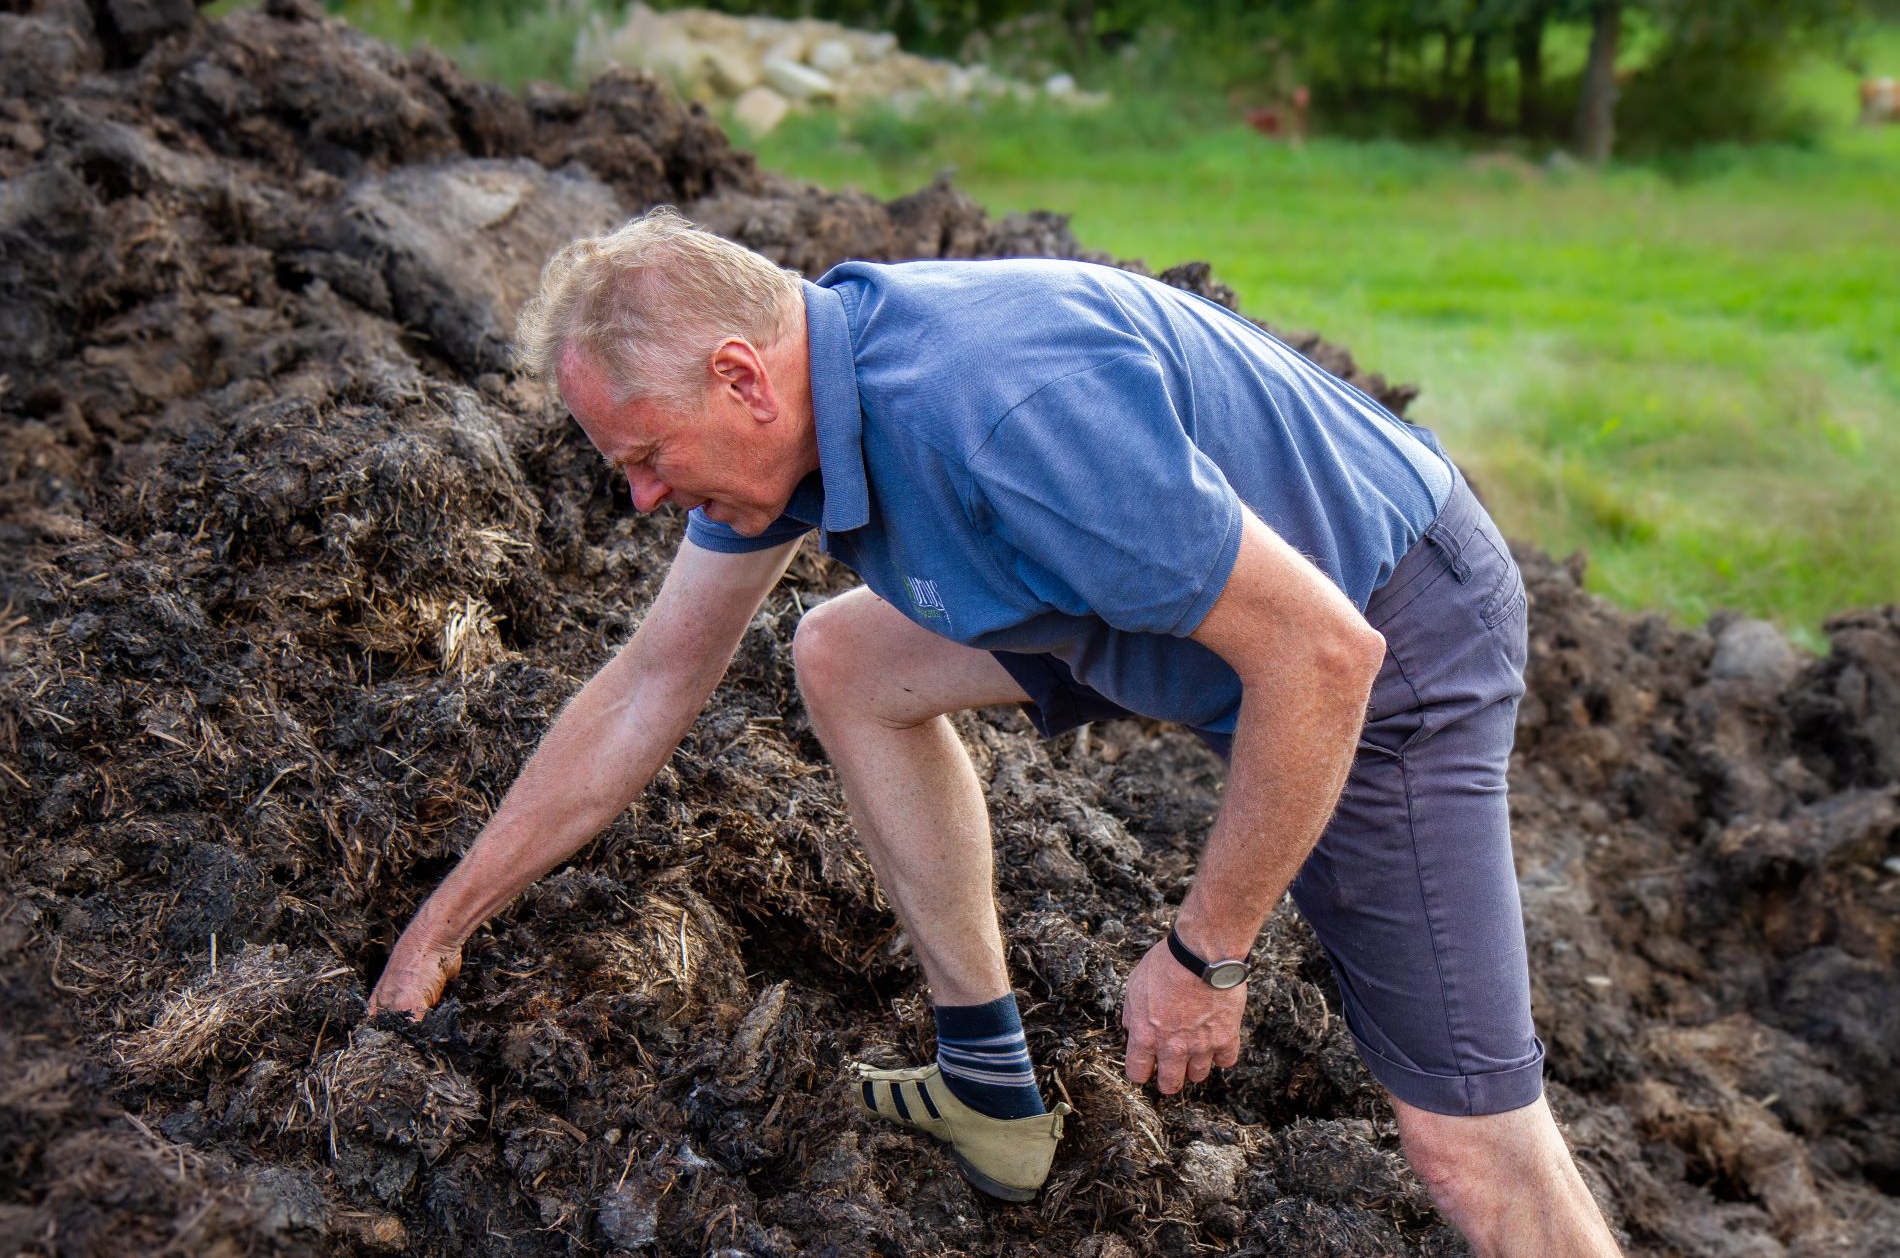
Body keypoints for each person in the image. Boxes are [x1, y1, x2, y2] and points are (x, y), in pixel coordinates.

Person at [368, 207, 1622, 1254]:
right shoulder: (801, 408)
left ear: (741, 376)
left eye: (644, 456)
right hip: (1192, 598)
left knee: (1468, 1148)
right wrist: (443, 926)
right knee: (846, 652)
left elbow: (1324, 653)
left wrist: (1206, 957)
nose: (641, 498)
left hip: (1390, 629)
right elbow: (651, 681)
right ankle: (988, 1085)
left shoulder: (1001, 418)